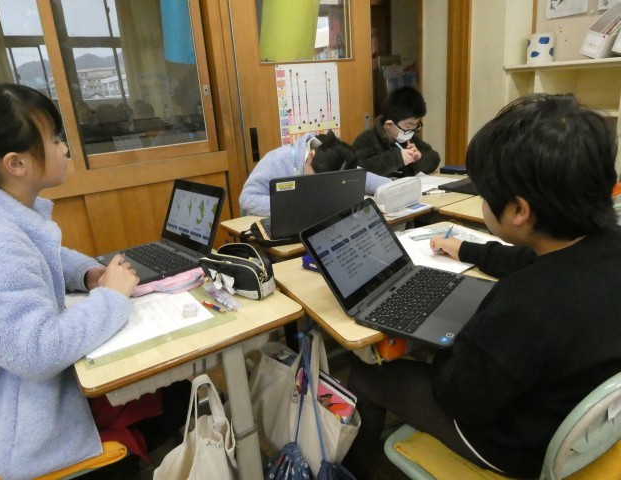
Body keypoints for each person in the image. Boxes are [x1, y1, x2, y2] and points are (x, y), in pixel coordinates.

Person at [342, 93, 621, 479]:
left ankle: (364, 470)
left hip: (514, 446)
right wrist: (465, 249)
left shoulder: (525, 303)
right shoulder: (603, 245)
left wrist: (448, 342)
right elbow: (528, 260)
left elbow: (460, 399)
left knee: (365, 375)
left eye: (485, 193)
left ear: (519, 211)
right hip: (584, 426)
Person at [0, 83, 183, 479]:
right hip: (24, 434)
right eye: (55, 139)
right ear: (16, 164)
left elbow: (46, 255)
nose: (64, 149)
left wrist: (89, 274)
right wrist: (111, 297)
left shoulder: (1, 215)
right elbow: (35, 353)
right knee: (180, 393)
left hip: (30, 403)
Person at [239, 131, 390, 216]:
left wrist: (393, 189)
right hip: (280, 228)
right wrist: (297, 205)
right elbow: (247, 199)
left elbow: (371, 181)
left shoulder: (336, 161)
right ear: (311, 156)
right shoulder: (277, 160)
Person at [352, 86, 440, 178]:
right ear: (389, 125)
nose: (411, 131)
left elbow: (434, 159)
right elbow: (357, 171)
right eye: (408, 126)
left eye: (416, 125)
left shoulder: (411, 138)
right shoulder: (366, 139)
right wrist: (396, 158)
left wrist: (419, 159)